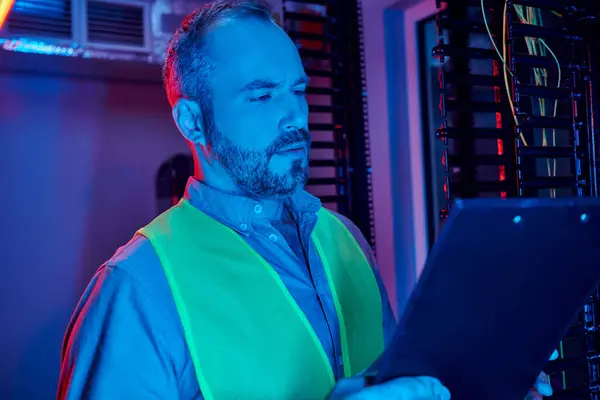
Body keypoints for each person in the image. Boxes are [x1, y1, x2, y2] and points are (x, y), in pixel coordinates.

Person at [56, 1, 551, 399]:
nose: (295, 116)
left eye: (298, 90)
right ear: (192, 122)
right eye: (262, 96)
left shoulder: (344, 239)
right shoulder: (137, 288)